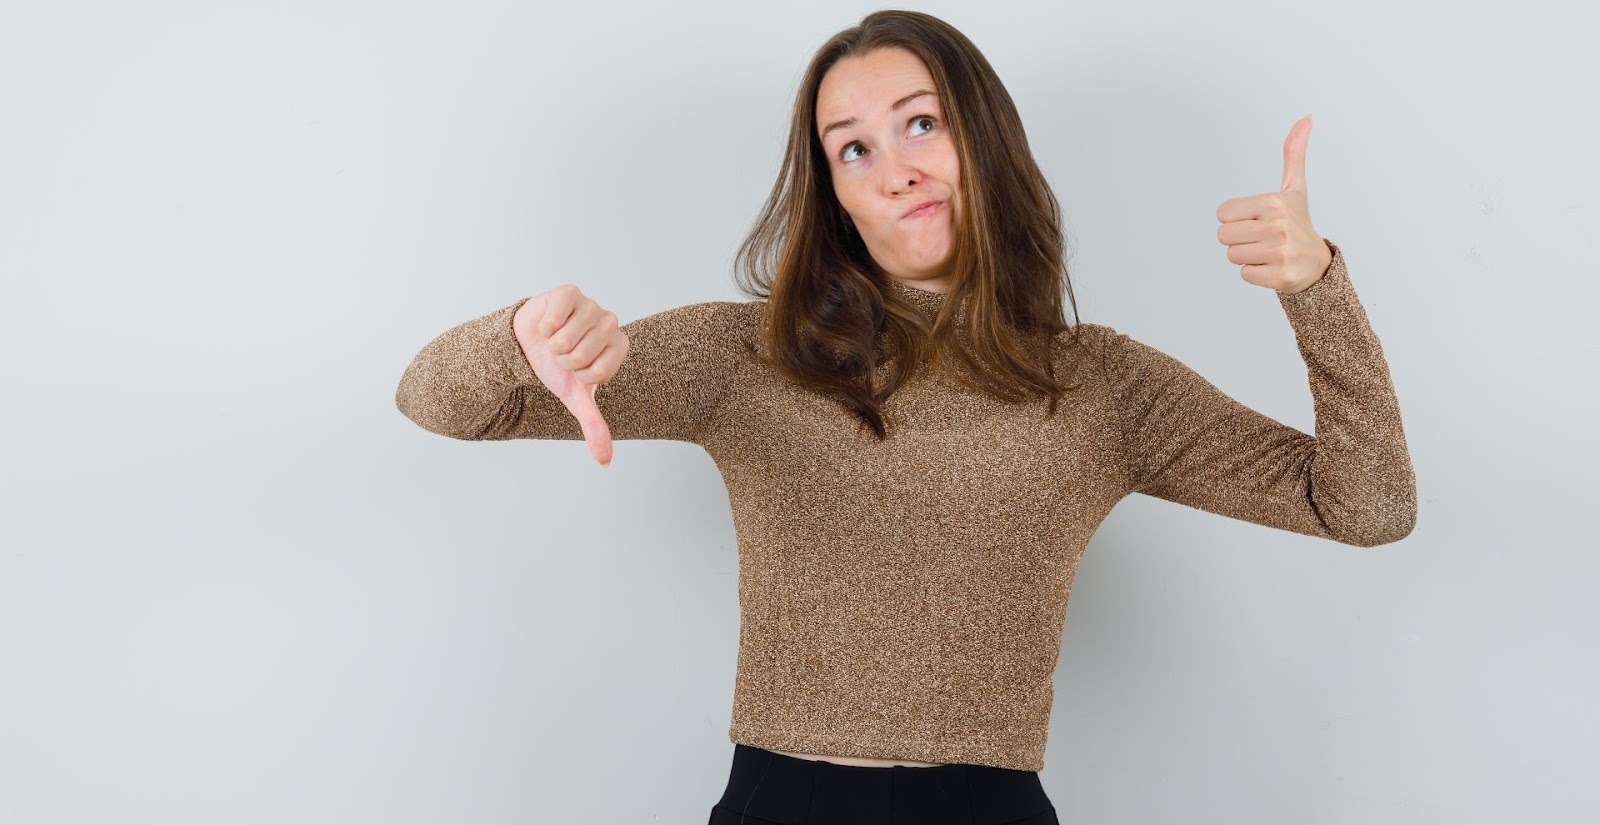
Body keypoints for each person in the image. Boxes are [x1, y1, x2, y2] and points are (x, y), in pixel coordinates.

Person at [393, 9, 1417, 825]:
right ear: (835, 195)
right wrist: (518, 337)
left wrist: (1314, 286)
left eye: (920, 124)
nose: (895, 170)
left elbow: (1364, 506)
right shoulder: (747, 355)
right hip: (778, 802)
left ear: (983, 140)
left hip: (988, 808)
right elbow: (436, 403)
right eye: (852, 150)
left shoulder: (1104, 386)